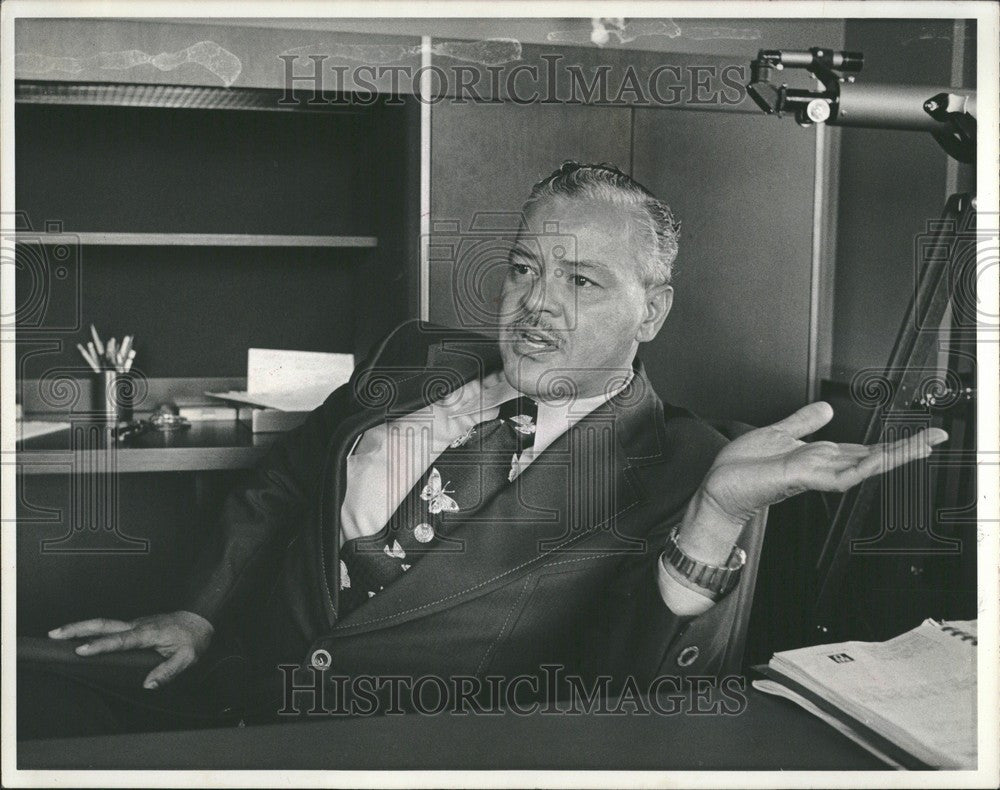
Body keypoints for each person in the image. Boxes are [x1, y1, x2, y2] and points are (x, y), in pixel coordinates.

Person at [21, 162, 946, 736]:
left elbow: (643, 693)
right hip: (211, 689)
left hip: (396, 754)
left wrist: (716, 517)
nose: (537, 303)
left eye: (581, 280)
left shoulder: (686, 462)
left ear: (651, 311)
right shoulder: (417, 358)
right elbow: (284, 483)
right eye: (524, 268)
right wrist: (200, 613)